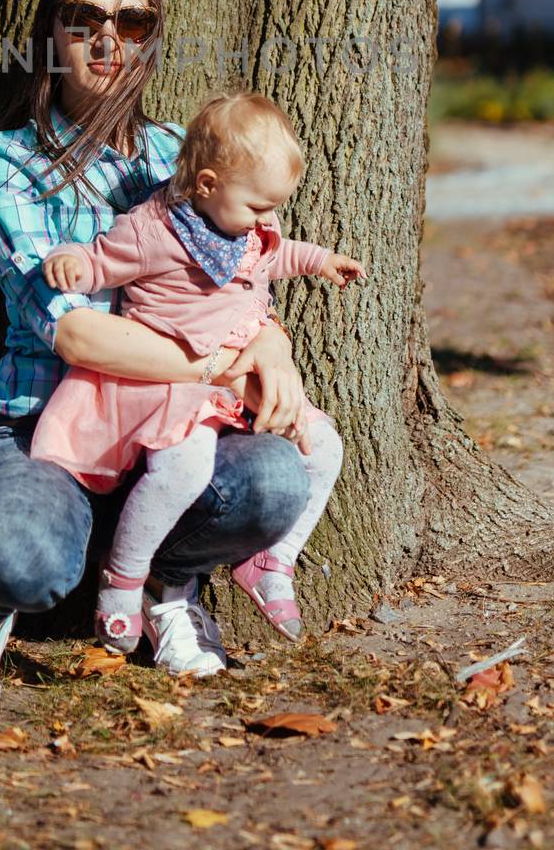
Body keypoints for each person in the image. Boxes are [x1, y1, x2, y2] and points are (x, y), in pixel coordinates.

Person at [0, 0, 320, 727]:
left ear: (151, 38)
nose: (110, 38)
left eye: (133, 21)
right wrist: (219, 364)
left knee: (281, 477)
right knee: (21, 559)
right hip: (50, 425)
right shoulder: (6, 166)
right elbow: (76, 337)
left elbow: (240, 280)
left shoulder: (187, 156)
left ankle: (167, 585)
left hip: (173, 434)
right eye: (85, 18)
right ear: (53, 35)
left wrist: (270, 344)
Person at [31, 90, 363, 649]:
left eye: (273, 208)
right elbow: (101, 261)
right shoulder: (152, 231)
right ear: (206, 185)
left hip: (234, 379)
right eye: (258, 207)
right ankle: (124, 580)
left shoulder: (243, 230)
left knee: (324, 446)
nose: (268, 220)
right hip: (174, 381)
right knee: (183, 469)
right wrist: (72, 261)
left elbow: (272, 255)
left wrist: (319, 260)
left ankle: (272, 561)